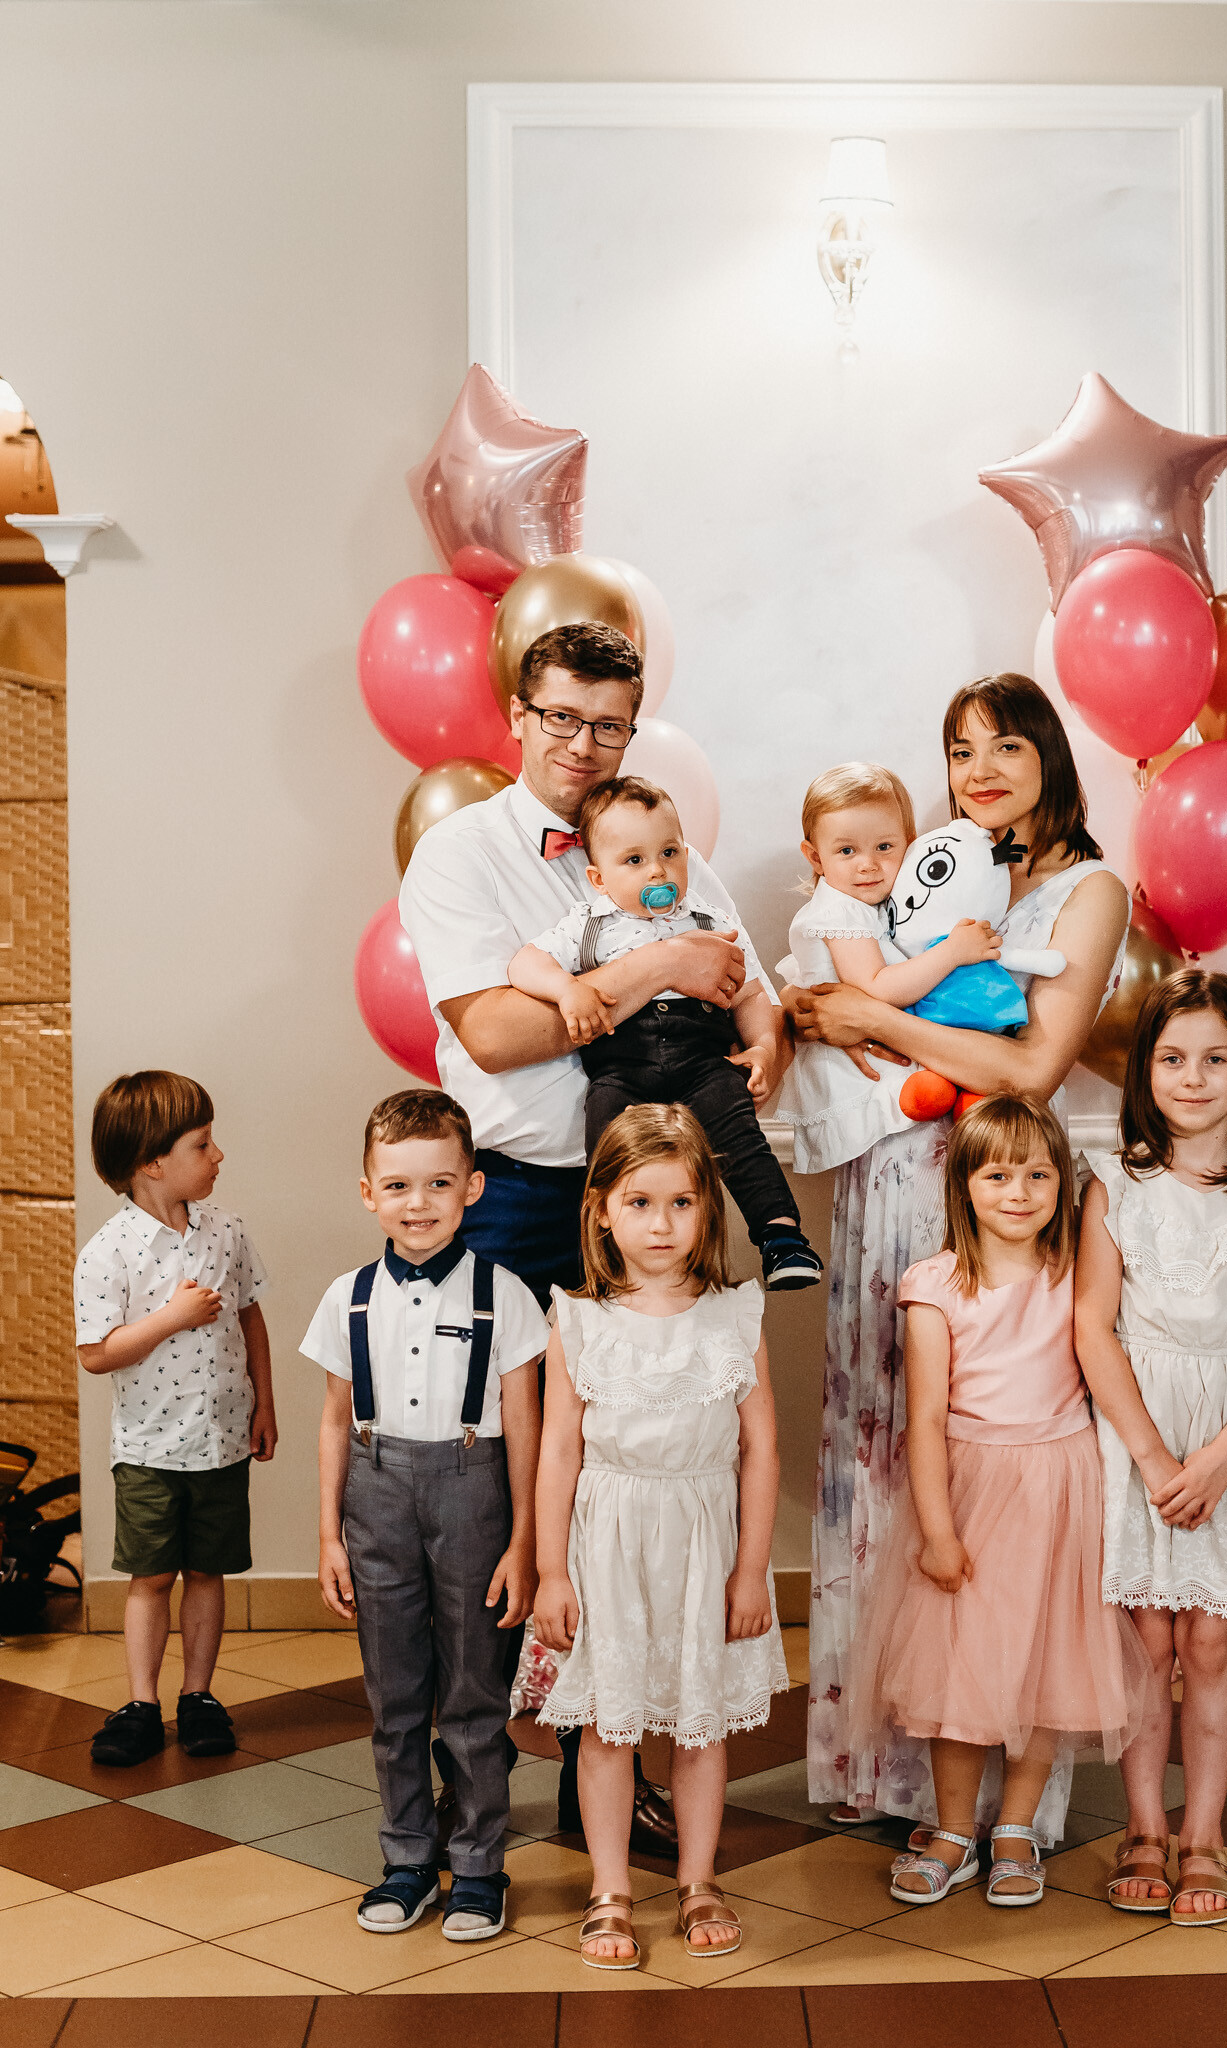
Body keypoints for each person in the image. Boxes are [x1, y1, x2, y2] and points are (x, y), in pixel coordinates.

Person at [400, 618, 773, 1854]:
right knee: (496, 1491)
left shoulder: (669, 842)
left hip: (650, 1208)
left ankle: (606, 1779)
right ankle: (468, 1787)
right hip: (516, 1194)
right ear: (519, 714)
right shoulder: (462, 853)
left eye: (608, 722)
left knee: (635, 1482)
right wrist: (658, 963)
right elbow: (496, 1032)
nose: (582, 741)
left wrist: (761, 1027)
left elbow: (743, 981)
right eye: (561, 715)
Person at [787, 679, 1131, 1826]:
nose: (979, 767)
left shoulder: (1087, 888)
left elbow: (1031, 1065)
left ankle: (999, 1794)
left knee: (999, 1454)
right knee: (887, 1437)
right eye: (959, 748)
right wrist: (821, 1010)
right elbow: (835, 975)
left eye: (1005, 745)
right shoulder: (926, 864)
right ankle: (884, 1766)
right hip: (889, 1171)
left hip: (1000, 1196)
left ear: (1050, 757)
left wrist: (874, 1019)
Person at [849, 1096, 1148, 1907]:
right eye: (996, 1176)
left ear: (1061, 1185)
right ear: (963, 1185)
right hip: (972, 1488)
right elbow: (924, 1418)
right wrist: (937, 1532)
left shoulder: (1073, 1275)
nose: (1017, 1193)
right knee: (958, 1672)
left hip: (1058, 1485)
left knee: (1046, 1662)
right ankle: (954, 1831)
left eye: (1037, 1176)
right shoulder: (935, 1285)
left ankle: (1014, 1827)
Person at [1076, 970, 1227, 1927]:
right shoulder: (1114, 1187)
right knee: (1147, 1642)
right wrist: (1150, 1457)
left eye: (1214, 1059)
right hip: (1139, 1435)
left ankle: (1204, 1834)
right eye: (1172, 1059)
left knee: (1210, 1642)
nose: (1192, 1078)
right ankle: (1143, 1827)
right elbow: (1092, 1328)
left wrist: (1220, 1456)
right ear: (1145, 1070)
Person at [533, 1104, 787, 1969]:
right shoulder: (577, 1320)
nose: (661, 1224)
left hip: (704, 1540)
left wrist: (750, 1571)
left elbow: (761, 1449)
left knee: (697, 1724)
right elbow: (558, 1452)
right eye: (639, 1203)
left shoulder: (735, 1314)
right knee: (610, 1725)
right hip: (607, 1540)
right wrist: (551, 1573)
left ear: (706, 1208)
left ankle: (697, 1879)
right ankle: (608, 1889)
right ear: (602, 1209)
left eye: (681, 1202)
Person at [303, 1089, 547, 1939]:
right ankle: (407, 1859)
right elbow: (334, 1421)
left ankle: (478, 1866)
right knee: (394, 1692)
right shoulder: (347, 1298)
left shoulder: (506, 1297)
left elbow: (527, 1427)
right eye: (398, 1186)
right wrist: (329, 1535)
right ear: (368, 1192)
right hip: (375, 1495)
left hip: (473, 1490)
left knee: (475, 1692)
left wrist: (524, 1542)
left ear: (471, 1188)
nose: (419, 1204)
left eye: (439, 1184)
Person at [508, 773, 821, 1288]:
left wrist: (764, 1047)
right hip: (622, 1066)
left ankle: (781, 1237)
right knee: (606, 1148)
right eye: (634, 860)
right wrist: (567, 990)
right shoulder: (588, 924)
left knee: (740, 1134)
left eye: (670, 853)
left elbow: (748, 993)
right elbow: (525, 963)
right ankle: (606, 1259)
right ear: (599, 878)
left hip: (703, 1060)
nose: (657, 869)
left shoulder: (710, 920)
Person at [74, 1072, 274, 1767]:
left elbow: (250, 1317)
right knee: (152, 1577)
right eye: (202, 1143)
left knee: (207, 1571)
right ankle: (141, 1703)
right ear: (153, 1161)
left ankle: (198, 1696)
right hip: (148, 1449)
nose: (218, 1155)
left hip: (221, 1441)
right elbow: (96, 1354)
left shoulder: (227, 1231)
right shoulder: (108, 1251)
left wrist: (264, 1403)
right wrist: (171, 1317)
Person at [776, 761, 999, 1177]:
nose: (868, 864)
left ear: (909, 847)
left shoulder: (864, 904)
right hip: (862, 1071)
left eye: (884, 847)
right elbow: (878, 987)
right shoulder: (842, 911)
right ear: (815, 857)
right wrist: (952, 953)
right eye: (847, 851)